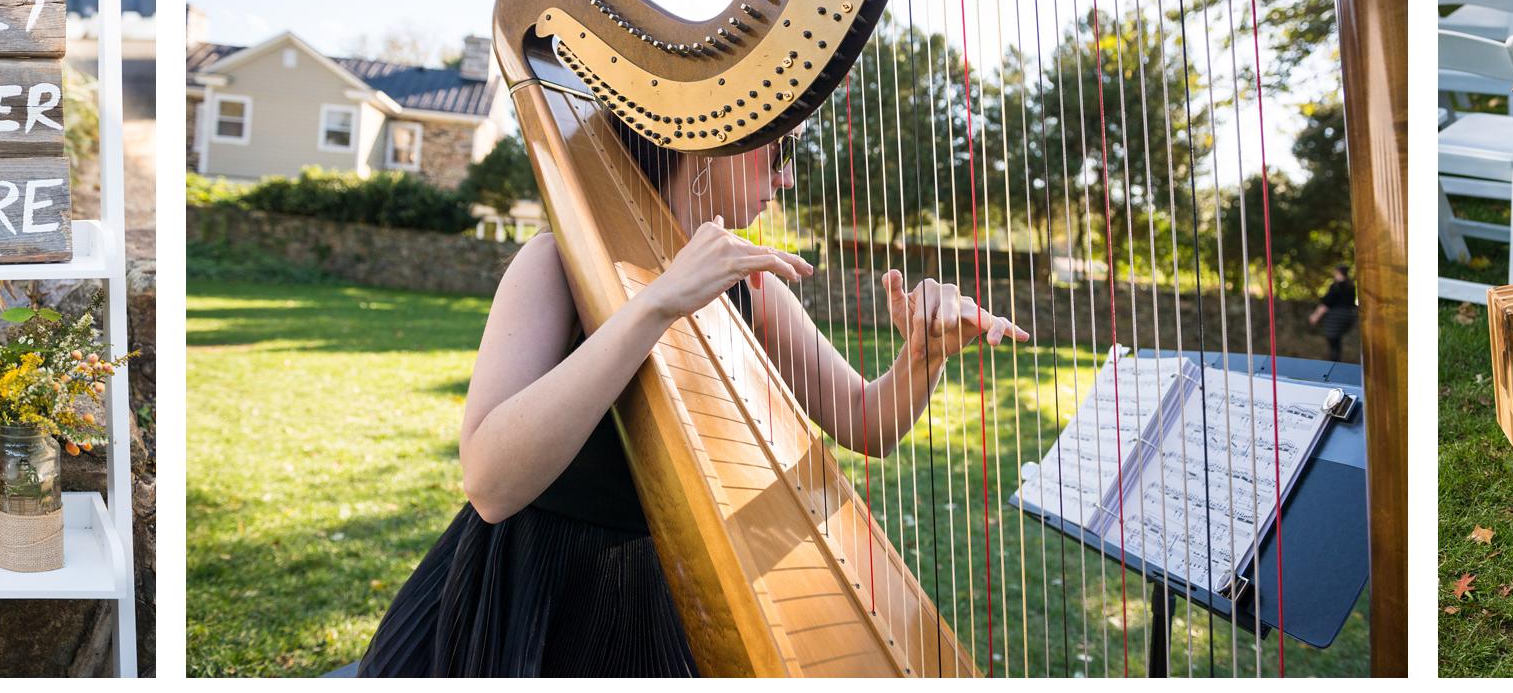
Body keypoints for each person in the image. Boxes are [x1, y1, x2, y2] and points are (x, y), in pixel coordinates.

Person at [358, 123, 1029, 677]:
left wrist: (923, 356)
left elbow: (865, 421)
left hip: (671, 598)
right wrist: (655, 304)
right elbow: (490, 483)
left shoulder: (758, 291)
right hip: (528, 598)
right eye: (782, 150)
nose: (788, 178)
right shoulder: (552, 265)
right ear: (708, 143)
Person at [1309, 264, 1359, 363]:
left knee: (1333, 342)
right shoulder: (1351, 286)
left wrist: (1315, 316)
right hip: (1349, 316)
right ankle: (1336, 361)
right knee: (1337, 342)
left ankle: (1335, 364)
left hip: (1336, 316)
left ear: (1338, 272)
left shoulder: (1336, 286)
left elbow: (1327, 303)